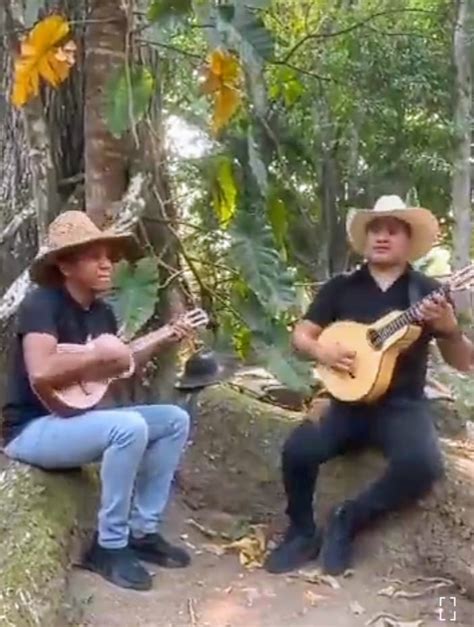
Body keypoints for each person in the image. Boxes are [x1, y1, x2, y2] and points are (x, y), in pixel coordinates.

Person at [263, 195, 473, 577]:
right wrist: (322, 352)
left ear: (408, 243)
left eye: (392, 230)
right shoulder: (341, 288)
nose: (382, 237)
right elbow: (302, 336)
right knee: (298, 450)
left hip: (402, 406)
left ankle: (349, 519)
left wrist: (449, 328)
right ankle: (302, 531)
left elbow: (463, 362)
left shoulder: (427, 292)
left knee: (422, 465)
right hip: (345, 400)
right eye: (375, 229)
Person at [2, 210, 198, 592]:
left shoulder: (103, 314)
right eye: (94, 256)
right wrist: (95, 355)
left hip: (74, 422)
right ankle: (108, 546)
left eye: (108, 255)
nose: (107, 263)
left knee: (174, 419)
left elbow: (113, 368)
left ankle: (143, 531)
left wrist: (162, 338)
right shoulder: (42, 304)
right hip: (30, 430)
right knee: (129, 427)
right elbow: (41, 372)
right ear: (65, 264)